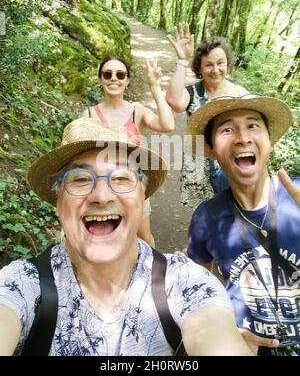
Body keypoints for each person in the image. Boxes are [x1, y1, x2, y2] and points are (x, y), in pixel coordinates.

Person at [0, 117, 254, 356]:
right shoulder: (22, 284)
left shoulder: (184, 282)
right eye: (79, 179)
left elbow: (215, 333)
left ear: (142, 200)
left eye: (121, 178)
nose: (102, 195)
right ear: (58, 204)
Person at [187, 94, 300, 356]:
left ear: (269, 140)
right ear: (210, 150)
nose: (242, 137)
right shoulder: (206, 218)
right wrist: (221, 335)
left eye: (253, 126)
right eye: (227, 129)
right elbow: (194, 294)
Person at [82, 56, 175, 248]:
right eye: (108, 74)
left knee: (143, 237)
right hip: (100, 188)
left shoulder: (137, 112)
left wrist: (155, 87)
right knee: (105, 236)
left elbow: (168, 124)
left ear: (127, 80)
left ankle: (150, 272)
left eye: (120, 74)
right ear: (100, 80)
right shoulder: (88, 115)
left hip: (132, 185)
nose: (113, 79)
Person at [166, 23, 248, 209]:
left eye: (220, 63)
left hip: (231, 166)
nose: (215, 69)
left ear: (228, 64)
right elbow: (173, 101)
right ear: (199, 69)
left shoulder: (239, 94)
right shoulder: (193, 91)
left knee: (233, 216)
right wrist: (181, 60)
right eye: (208, 65)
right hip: (198, 167)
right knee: (203, 219)